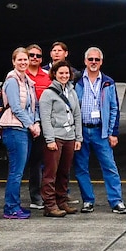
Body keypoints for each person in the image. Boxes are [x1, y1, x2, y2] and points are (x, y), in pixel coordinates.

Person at [74, 46, 126, 214]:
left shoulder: (108, 82)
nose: (93, 62)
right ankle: (88, 201)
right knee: (81, 168)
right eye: (90, 59)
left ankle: (116, 201)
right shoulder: (76, 81)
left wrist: (113, 133)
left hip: (101, 131)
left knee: (110, 167)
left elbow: (114, 109)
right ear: (85, 61)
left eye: (96, 60)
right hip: (81, 131)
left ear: (101, 62)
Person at [0, 47, 42, 219]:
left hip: (25, 129)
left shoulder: (27, 81)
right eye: (20, 60)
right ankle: (10, 208)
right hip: (14, 129)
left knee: (19, 170)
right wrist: (31, 125)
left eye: (25, 60)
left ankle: (14, 205)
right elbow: (16, 107)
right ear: (13, 62)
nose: (23, 62)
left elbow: (34, 106)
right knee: (16, 171)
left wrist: (36, 122)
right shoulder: (12, 81)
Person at [39, 61, 82, 216]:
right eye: (61, 73)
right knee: (51, 172)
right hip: (56, 136)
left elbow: (77, 114)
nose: (64, 76)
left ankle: (61, 201)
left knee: (64, 171)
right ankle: (50, 205)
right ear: (54, 74)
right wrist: (50, 140)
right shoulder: (48, 94)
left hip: (70, 136)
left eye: (66, 73)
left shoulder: (72, 91)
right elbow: (45, 118)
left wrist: (78, 137)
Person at [25, 45, 51, 208]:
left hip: (42, 124)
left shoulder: (47, 76)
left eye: (38, 56)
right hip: (23, 124)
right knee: (19, 164)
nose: (35, 58)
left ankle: (36, 196)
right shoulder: (20, 75)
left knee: (38, 162)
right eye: (31, 55)